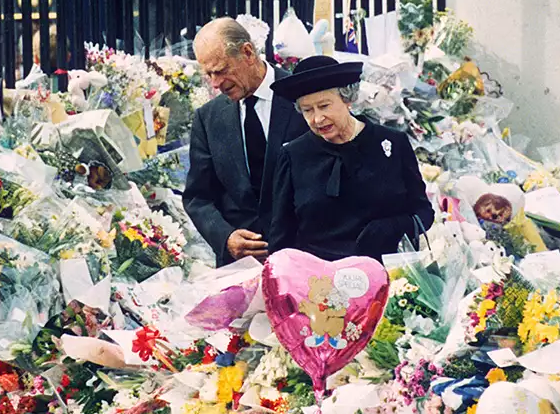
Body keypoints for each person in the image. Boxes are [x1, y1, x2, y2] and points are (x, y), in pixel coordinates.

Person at [268, 55, 435, 262]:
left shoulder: (393, 143)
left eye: (324, 106)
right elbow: (281, 239)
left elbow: (424, 212)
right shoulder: (293, 156)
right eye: (307, 110)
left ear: (347, 99)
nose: (317, 118)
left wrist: (394, 227)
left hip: (389, 276)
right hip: (319, 283)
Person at [183, 18, 308, 265]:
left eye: (220, 70)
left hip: (303, 259)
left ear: (247, 53)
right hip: (239, 268)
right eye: (208, 74)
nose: (216, 83)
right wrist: (225, 237)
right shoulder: (208, 118)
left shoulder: (303, 99)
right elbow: (198, 197)